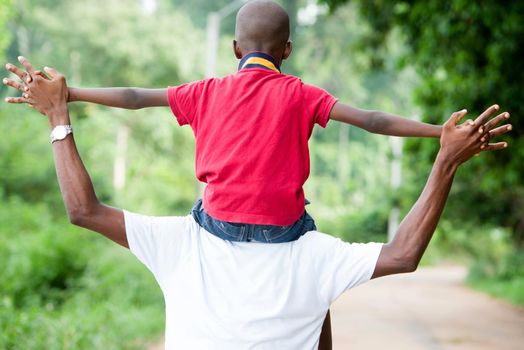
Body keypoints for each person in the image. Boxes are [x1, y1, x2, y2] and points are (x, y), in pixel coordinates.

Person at [3, 58, 511, 348]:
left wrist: (62, 110)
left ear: (234, 48)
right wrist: (443, 152)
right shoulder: (316, 258)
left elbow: (83, 207)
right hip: (298, 245)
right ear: (286, 50)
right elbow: (402, 250)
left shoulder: (178, 245)